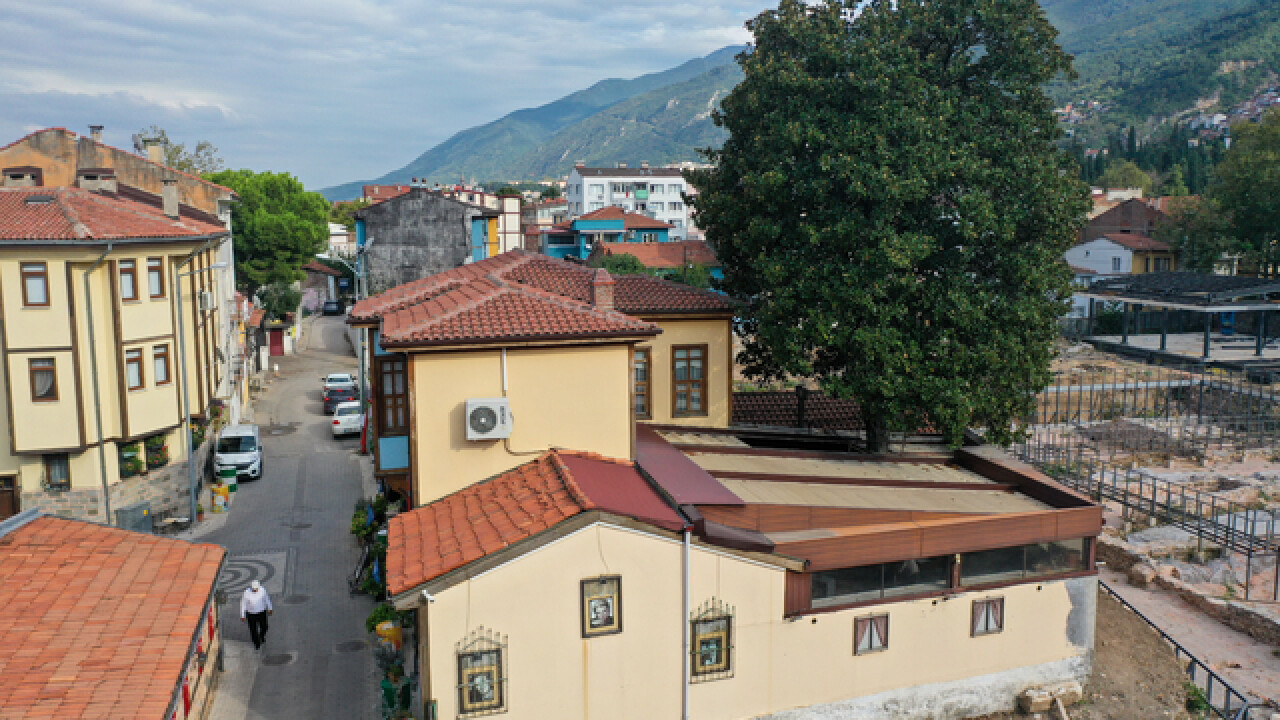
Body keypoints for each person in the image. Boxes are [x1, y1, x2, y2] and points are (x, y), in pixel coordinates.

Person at [240, 580, 274, 650]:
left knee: (264, 627)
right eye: (254, 589)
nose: (255, 590)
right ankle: (256, 643)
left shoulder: (262, 590)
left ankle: (261, 636)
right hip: (251, 614)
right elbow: (243, 604)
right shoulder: (246, 592)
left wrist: (270, 608)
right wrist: (242, 615)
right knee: (253, 630)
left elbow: (267, 599)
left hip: (261, 612)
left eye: (256, 589)